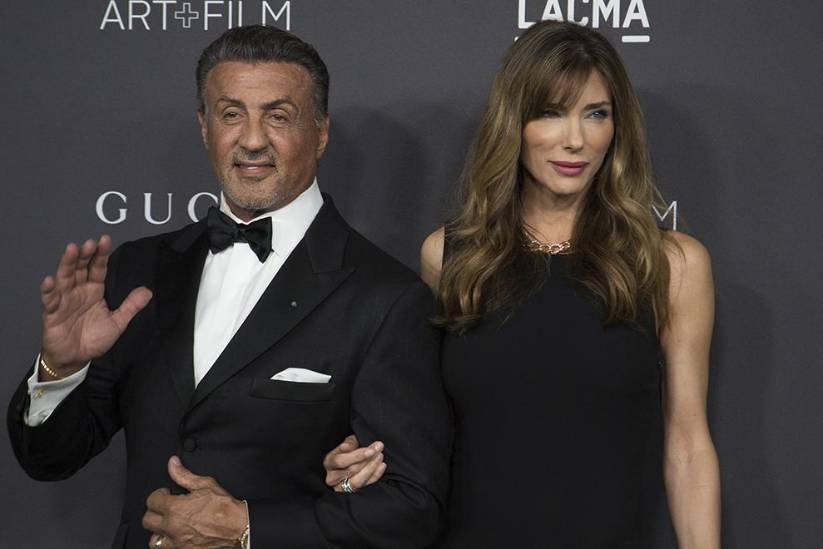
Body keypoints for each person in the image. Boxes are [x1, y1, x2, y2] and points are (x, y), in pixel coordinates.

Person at [7, 25, 452, 549]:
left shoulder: (385, 297)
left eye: (278, 116)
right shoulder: (138, 271)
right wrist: (60, 370)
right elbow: (50, 460)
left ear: (321, 131)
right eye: (231, 113)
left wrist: (247, 529)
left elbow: (411, 509)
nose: (253, 139)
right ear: (204, 126)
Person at [323, 20, 720, 548]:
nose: (575, 140)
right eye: (550, 112)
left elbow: (688, 445)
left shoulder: (670, 263)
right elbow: (421, 430)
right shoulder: (450, 257)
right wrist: (360, 462)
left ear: (617, 127)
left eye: (596, 114)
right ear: (515, 122)